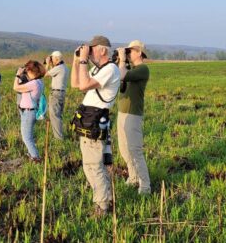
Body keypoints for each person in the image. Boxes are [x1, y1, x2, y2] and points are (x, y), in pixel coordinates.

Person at [71, 35, 120, 216]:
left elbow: (84, 86)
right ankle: (104, 196)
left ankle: (102, 205)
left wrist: (84, 59)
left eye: (91, 49)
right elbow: (76, 83)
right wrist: (77, 62)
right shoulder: (97, 69)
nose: (89, 53)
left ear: (102, 50)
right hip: (88, 120)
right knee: (89, 165)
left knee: (94, 165)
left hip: (95, 122)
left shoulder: (110, 69)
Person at [116, 40, 151, 194]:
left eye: (130, 51)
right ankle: (133, 177)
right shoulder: (131, 69)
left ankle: (145, 186)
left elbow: (122, 74)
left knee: (135, 150)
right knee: (124, 150)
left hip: (133, 115)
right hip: (122, 113)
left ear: (139, 52)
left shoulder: (143, 69)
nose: (128, 54)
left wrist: (122, 60)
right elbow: (119, 78)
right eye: (127, 51)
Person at [13, 60, 46, 162]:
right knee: (28, 136)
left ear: (32, 71)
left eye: (27, 71)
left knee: (27, 138)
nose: (26, 73)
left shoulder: (34, 83)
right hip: (28, 111)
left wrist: (18, 75)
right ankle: (32, 154)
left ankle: (36, 158)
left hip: (28, 112)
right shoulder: (39, 82)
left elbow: (16, 87)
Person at [44, 51, 69, 140]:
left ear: (57, 58)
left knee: (54, 116)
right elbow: (53, 73)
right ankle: (59, 135)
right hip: (61, 93)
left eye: (52, 58)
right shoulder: (64, 67)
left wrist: (47, 64)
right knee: (58, 115)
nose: (51, 60)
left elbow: (45, 74)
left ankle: (58, 138)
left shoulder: (59, 68)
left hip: (56, 94)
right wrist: (51, 65)